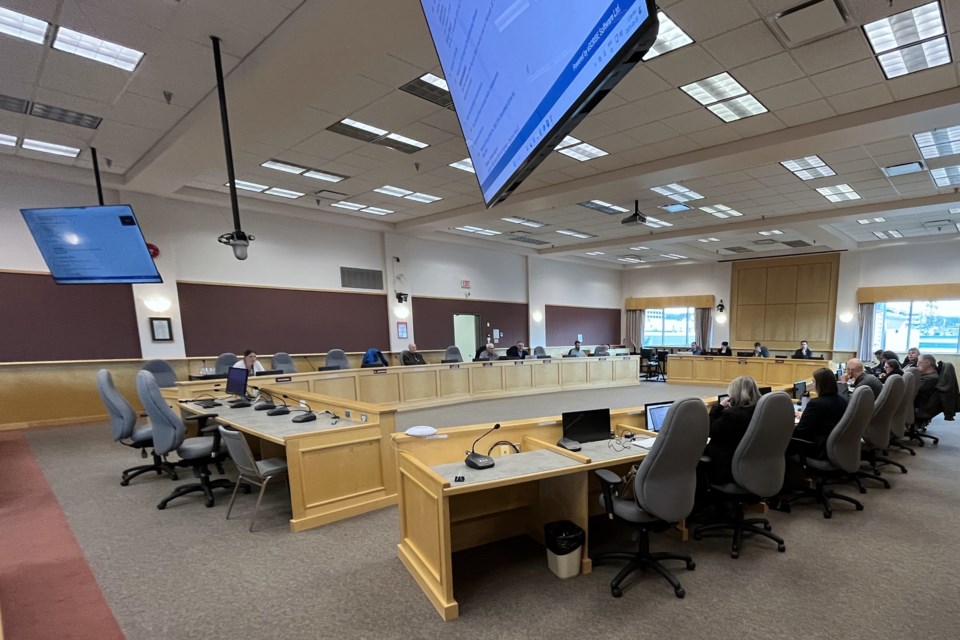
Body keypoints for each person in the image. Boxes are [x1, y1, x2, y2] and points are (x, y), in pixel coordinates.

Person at [703, 376, 761, 485]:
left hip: (727, 467)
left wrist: (718, 407)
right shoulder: (760, 410)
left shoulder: (733, 416)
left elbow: (710, 431)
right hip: (752, 464)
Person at [790, 368, 848, 457]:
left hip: (817, 447)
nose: (813, 386)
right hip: (835, 445)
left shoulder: (816, 404)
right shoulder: (842, 399)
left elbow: (800, 431)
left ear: (820, 384)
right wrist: (805, 415)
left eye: (814, 382)